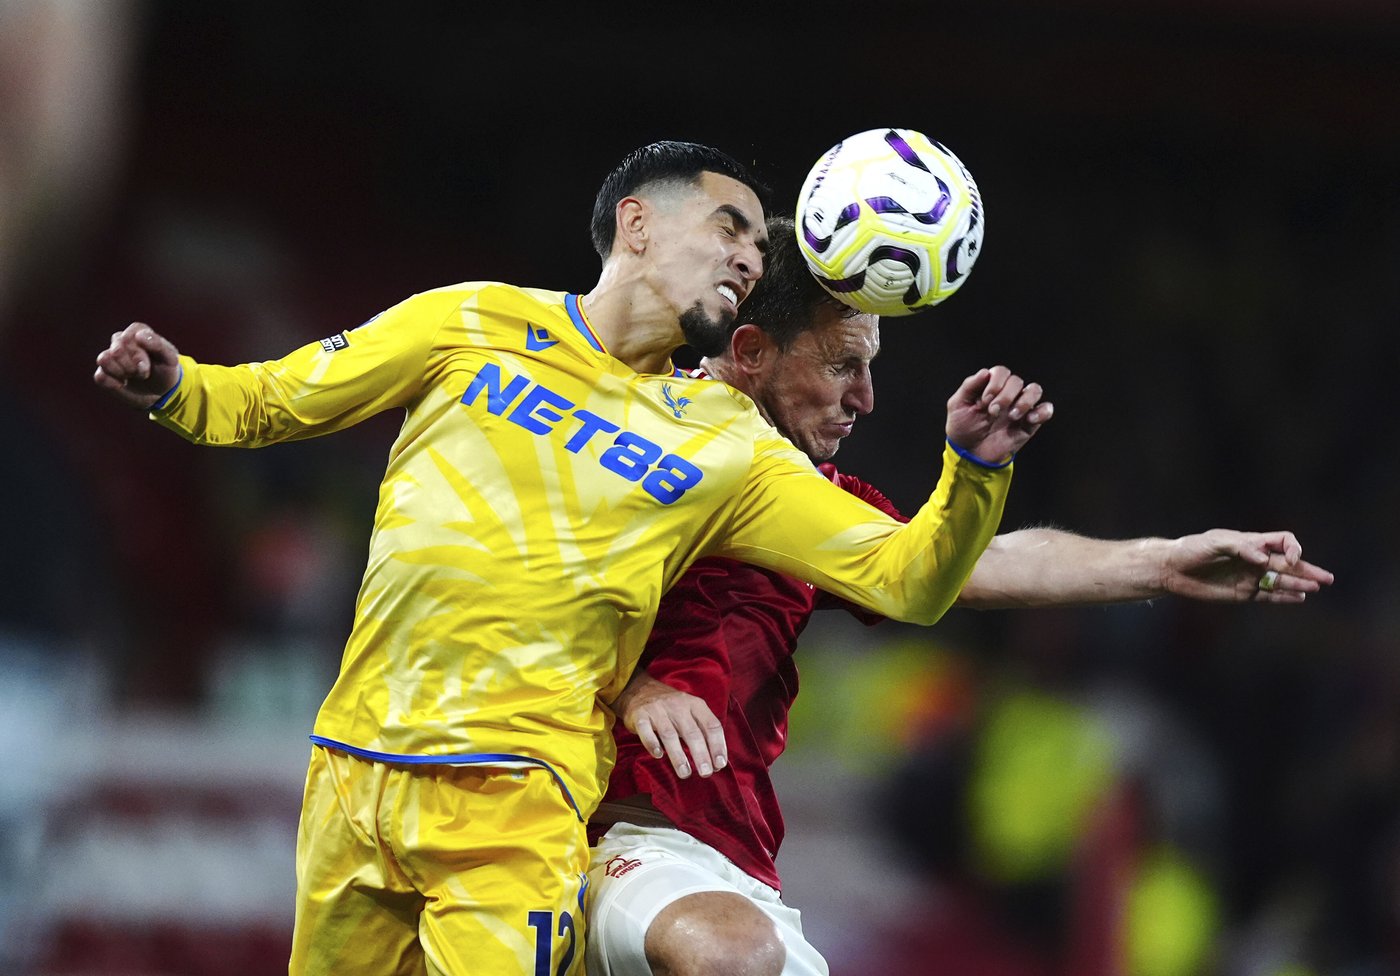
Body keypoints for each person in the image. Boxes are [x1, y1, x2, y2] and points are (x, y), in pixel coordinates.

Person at [91, 143, 1051, 976]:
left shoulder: (730, 441)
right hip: (350, 770)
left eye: (761, 247)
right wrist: (176, 386)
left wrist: (970, 471)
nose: (751, 257)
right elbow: (269, 399)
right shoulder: (468, 319)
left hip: (515, 803)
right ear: (636, 223)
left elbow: (906, 581)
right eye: (732, 228)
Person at [583, 216, 1335, 976]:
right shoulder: (628, 442)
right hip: (617, 840)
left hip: (727, 861)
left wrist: (1163, 562)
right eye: (844, 365)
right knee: (732, 957)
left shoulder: (798, 495)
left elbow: (964, 570)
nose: (866, 399)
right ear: (750, 352)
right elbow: (486, 577)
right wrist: (628, 686)